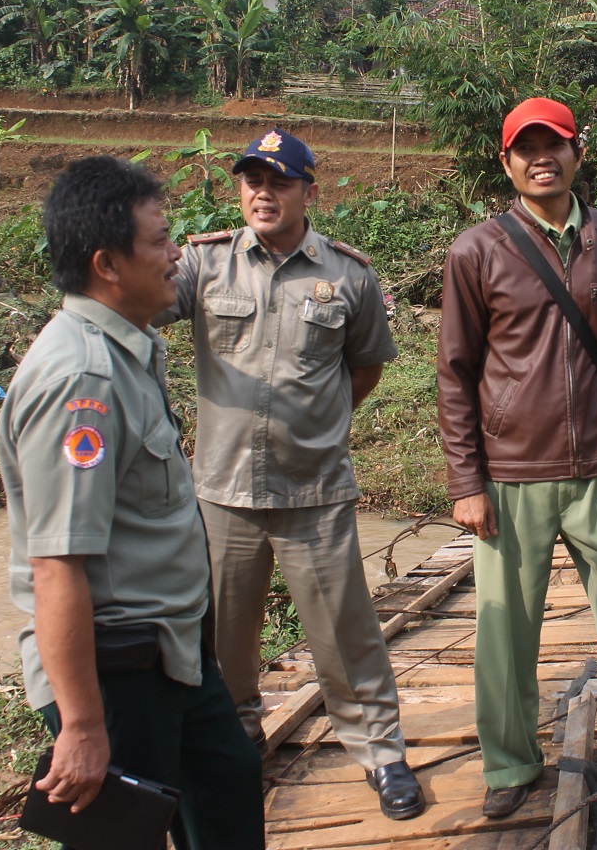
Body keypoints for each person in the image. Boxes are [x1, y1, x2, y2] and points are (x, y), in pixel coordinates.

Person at [154, 128, 424, 821]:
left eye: (278, 181)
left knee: (345, 629)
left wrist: (319, 423)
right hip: (223, 491)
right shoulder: (203, 265)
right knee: (223, 634)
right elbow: (139, 308)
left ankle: (380, 752)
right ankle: (237, 737)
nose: (262, 193)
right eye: (251, 180)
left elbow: (364, 368)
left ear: (309, 189)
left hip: (315, 491)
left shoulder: (347, 275)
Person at [0, 155, 263, 849]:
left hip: (172, 650)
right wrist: (84, 727)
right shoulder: (79, 380)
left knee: (229, 793)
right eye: (159, 241)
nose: (176, 256)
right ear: (107, 264)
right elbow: (56, 564)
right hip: (117, 672)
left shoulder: (130, 350)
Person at [437, 97, 597, 819]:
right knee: (504, 629)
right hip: (512, 475)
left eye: (555, 144)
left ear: (578, 152)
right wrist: (466, 480)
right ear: (506, 160)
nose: (540, 157)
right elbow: (455, 372)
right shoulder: (476, 251)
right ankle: (511, 763)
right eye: (526, 147)